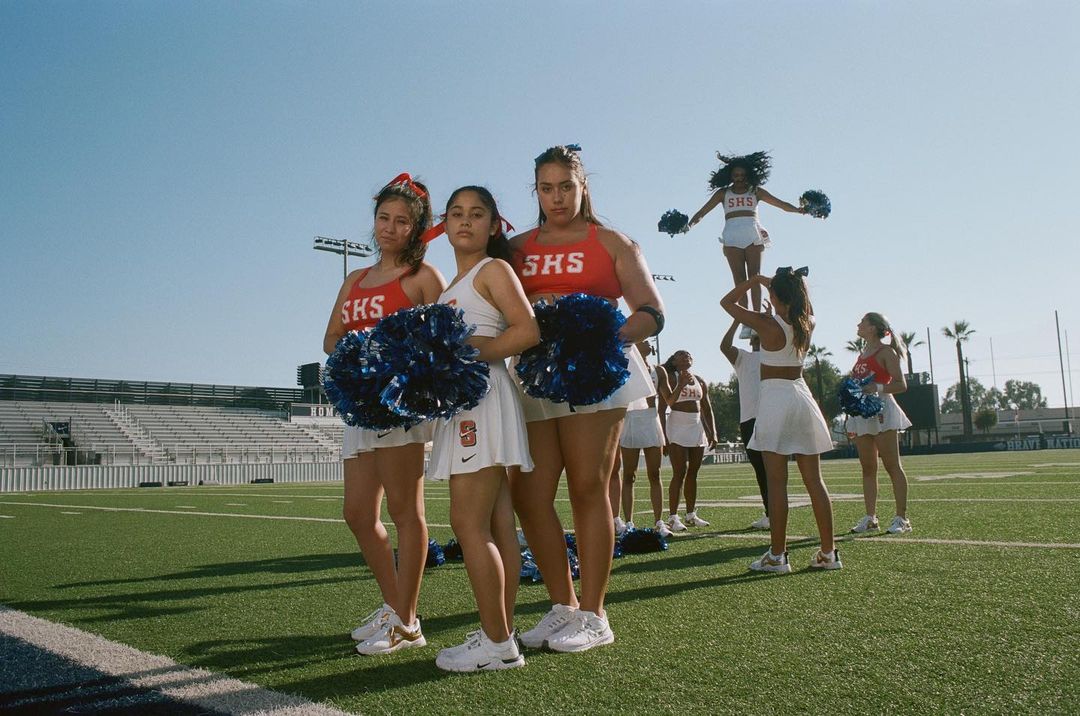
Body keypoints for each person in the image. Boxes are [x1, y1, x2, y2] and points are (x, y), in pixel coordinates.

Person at [509, 145, 665, 652]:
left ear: (583, 187)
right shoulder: (515, 248)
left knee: (587, 486)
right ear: (536, 191)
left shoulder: (614, 242)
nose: (556, 197)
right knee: (529, 495)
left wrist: (598, 338)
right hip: (534, 372)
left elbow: (651, 312)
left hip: (597, 372)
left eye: (566, 187)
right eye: (546, 188)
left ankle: (595, 615)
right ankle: (563, 605)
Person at [322, 174, 446, 655]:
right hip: (361, 407)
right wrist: (360, 361)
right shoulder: (354, 280)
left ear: (417, 228)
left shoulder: (423, 277)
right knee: (357, 513)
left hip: (402, 407)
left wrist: (399, 365)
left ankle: (407, 621)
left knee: (405, 512)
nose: (390, 228)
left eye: (402, 221)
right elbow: (331, 338)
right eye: (383, 218)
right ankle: (395, 607)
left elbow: (445, 340)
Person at [429, 186, 540, 672]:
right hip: (467, 401)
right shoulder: (452, 285)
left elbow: (526, 330)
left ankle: (496, 644)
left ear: (494, 225)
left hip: (480, 398)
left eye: (477, 214)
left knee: (467, 523)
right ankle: (501, 632)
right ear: (445, 224)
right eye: (456, 213)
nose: (465, 221)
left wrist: (467, 353)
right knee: (497, 526)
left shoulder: (493, 269)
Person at [719, 267, 841, 573]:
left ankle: (777, 556)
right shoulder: (808, 321)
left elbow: (726, 302)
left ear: (775, 295)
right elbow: (804, 305)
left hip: (775, 399)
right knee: (815, 481)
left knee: (776, 483)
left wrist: (755, 280)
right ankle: (829, 553)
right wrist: (783, 287)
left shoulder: (765, 323)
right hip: (802, 397)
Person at [687, 152, 809, 312]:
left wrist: (799, 210)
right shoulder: (723, 193)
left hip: (753, 234)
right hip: (731, 237)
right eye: (736, 175)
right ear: (730, 176)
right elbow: (702, 212)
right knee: (739, 280)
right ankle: (745, 317)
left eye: (742, 175)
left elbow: (781, 204)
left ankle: (756, 313)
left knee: (755, 277)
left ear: (748, 175)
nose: (739, 178)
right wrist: (689, 225)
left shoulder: (756, 191)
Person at [846, 312, 913, 535]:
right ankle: (870, 518)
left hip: (882, 410)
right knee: (868, 467)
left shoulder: (886, 352)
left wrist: (878, 387)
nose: (858, 325)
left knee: (892, 466)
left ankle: (902, 519)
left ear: (873, 328)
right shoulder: (862, 353)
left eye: (862, 322)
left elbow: (901, 384)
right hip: (862, 413)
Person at [657, 350, 716, 531]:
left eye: (688, 354)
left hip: (696, 427)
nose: (686, 356)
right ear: (674, 361)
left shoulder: (699, 380)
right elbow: (663, 408)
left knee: (693, 472)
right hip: (677, 427)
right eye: (681, 355)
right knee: (679, 472)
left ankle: (690, 514)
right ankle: (673, 517)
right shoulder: (670, 378)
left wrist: (712, 432)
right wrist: (664, 437)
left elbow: (706, 408)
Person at [618, 341, 672, 538]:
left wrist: (682, 384)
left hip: (651, 419)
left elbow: (669, 399)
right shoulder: (624, 363)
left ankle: (659, 522)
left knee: (655, 474)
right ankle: (629, 522)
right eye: (644, 340)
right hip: (630, 419)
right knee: (629, 475)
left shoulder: (659, 370)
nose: (648, 343)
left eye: (649, 340)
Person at [720, 318, 770, 530]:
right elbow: (725, 346)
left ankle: (776, 512)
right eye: (755, 336)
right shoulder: (744, 357)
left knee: (774, 469)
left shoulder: (775, 356)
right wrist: (736, 320)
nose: (757, 339)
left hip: (772, 417)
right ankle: (770, 513)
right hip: (749, 419)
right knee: (760, 470)